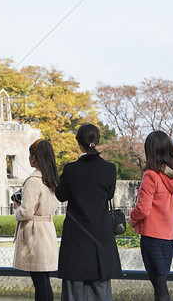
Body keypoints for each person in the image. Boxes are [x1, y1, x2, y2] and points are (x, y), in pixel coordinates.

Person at [55, 124, 122, 301]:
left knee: (74, 290)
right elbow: (109, 195)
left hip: (76, 236)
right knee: (101, 287)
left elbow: (61, 196)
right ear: (97, 141)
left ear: (79, 143)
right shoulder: (110, 168)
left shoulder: (70, 169)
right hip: (100, 235)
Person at [129, 131, 173, 301]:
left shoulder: (151, 175)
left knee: (158, 284)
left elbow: (143, 208)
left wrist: (131, 219)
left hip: (152, 236)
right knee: (161, 282)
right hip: (167, 236)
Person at [13, 139, 59, 301]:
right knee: (44, 281)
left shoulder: (33, 181)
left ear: (35, 158)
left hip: (35, 234)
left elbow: (26, 212)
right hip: (47, 230)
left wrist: (16, 209)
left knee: (39, 282)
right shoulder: (51, 179)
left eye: (30, 155)